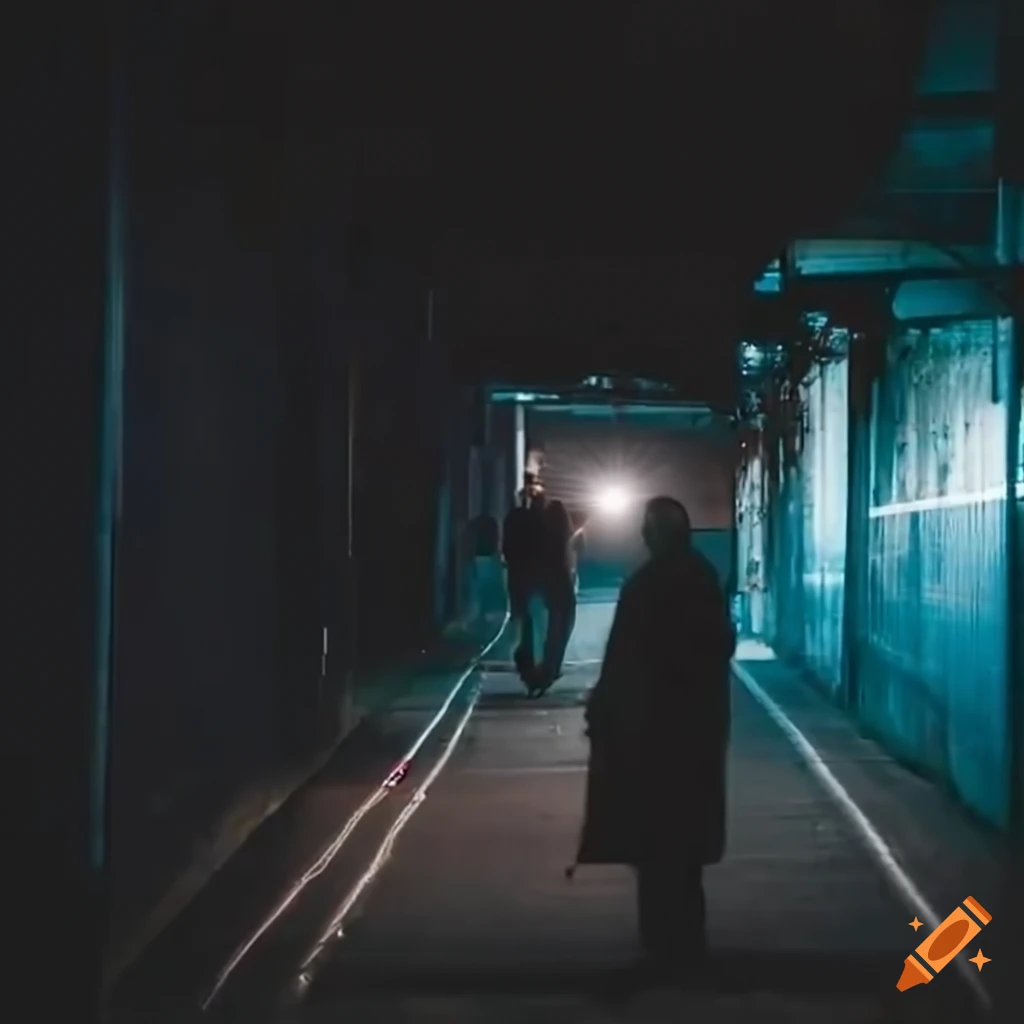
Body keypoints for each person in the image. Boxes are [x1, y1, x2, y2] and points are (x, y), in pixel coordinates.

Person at [571, 496, 736, 983]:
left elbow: (624, 661)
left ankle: (663, 943)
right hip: (697, 732)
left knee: (653, 840)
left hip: (651, 735)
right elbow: (717, 645)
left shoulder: (646, 587)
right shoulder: (702, 579)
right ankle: (688, 940)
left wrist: (606, 712)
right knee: (684, 844)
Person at [501, 473, 548, 694]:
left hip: (521, 574)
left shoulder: (516, 518)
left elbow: (507, 546)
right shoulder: (539, 519)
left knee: (526, 621)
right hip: (533, 575)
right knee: (533, 621)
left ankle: (530, 666)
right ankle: (534, 667)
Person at [535, 497, 578, 691]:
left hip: (549, 582)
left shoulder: (544, 535)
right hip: (563, 582)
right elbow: (572, 560)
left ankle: (549, 665)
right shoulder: (566, 536)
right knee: (564, 626)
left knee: (554, 626)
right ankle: (553, 665)